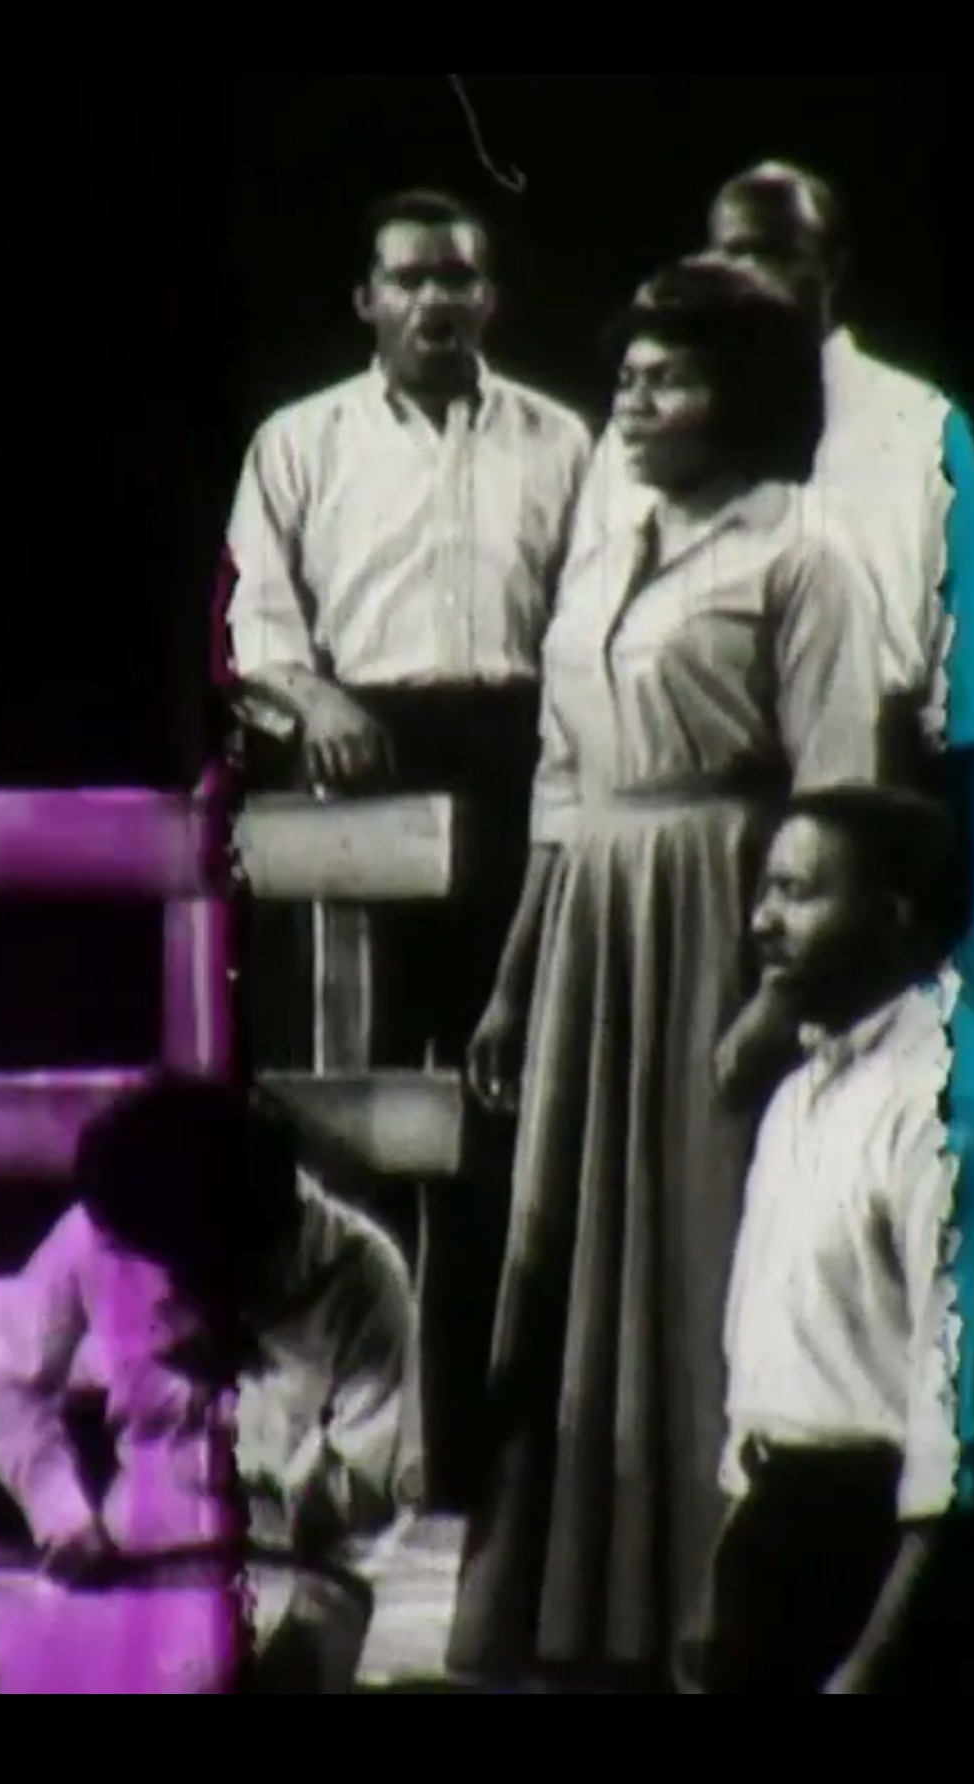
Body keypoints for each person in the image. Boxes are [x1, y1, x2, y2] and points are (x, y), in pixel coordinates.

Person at [447, 255, 883, 1690]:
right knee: (562, 1253)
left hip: (720, 912)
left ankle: (703, 1608)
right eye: (625, 378)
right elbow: (562, 784)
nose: (631, 403)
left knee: (702, 1254)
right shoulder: (604, 537)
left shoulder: (805, 553)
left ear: (739, 395)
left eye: (668, 380)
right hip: (593, 921)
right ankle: (567, 1608)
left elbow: (837, 793)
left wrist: (780, 996)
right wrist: (516, 978)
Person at [221, 186, 592, 1510]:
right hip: (354, 765)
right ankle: (340, 1457)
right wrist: (317, 703)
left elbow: (588, 622)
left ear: (491, 297)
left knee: (501, 1110)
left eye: (459, 278)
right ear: (367, 299)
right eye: (410, 279)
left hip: (514, 763)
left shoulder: (561, 439)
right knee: (348, 1118)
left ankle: (479, 1456)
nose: (436, 300)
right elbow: (256, 623)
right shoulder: (299, 439)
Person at [574, 160, 974, 1005]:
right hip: (676, 834)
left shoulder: (920, 427)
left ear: (833, 268)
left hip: (868, 816)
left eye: (774, 254)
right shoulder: (637, 437)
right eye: (727, 254)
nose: (747, 278)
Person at [684, 786, 974, 1695]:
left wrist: (867, 1667)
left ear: (895, 915)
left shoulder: (960, 1120)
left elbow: (961, 1451)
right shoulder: (804, 1093)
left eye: (796, 893)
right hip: (779, 1540)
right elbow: (771, 1370)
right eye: (764, 891)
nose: (762, 921)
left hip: (885, 1571)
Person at [0, 1075, 417, 1695]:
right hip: (131, 1550)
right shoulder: (105, 1231)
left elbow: (370, 1493)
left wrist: (311, 1620)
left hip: (299, 1565)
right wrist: (64, 1515)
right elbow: (15, 1387)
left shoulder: (360, 1271)